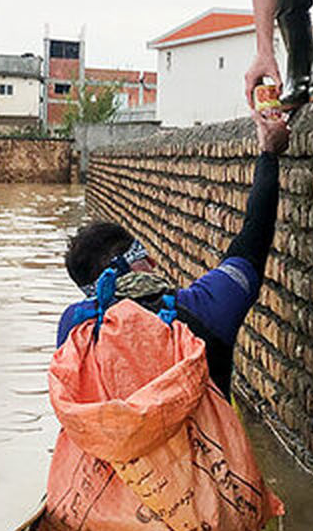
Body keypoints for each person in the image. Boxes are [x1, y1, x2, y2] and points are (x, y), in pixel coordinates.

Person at [57, 108, 289, 398]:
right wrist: (268, 153)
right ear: (130, 266)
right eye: (142, 255)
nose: (154, 262)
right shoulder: (202, 310)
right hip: (202, 443)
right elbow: (254, 239)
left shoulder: (74, 328)